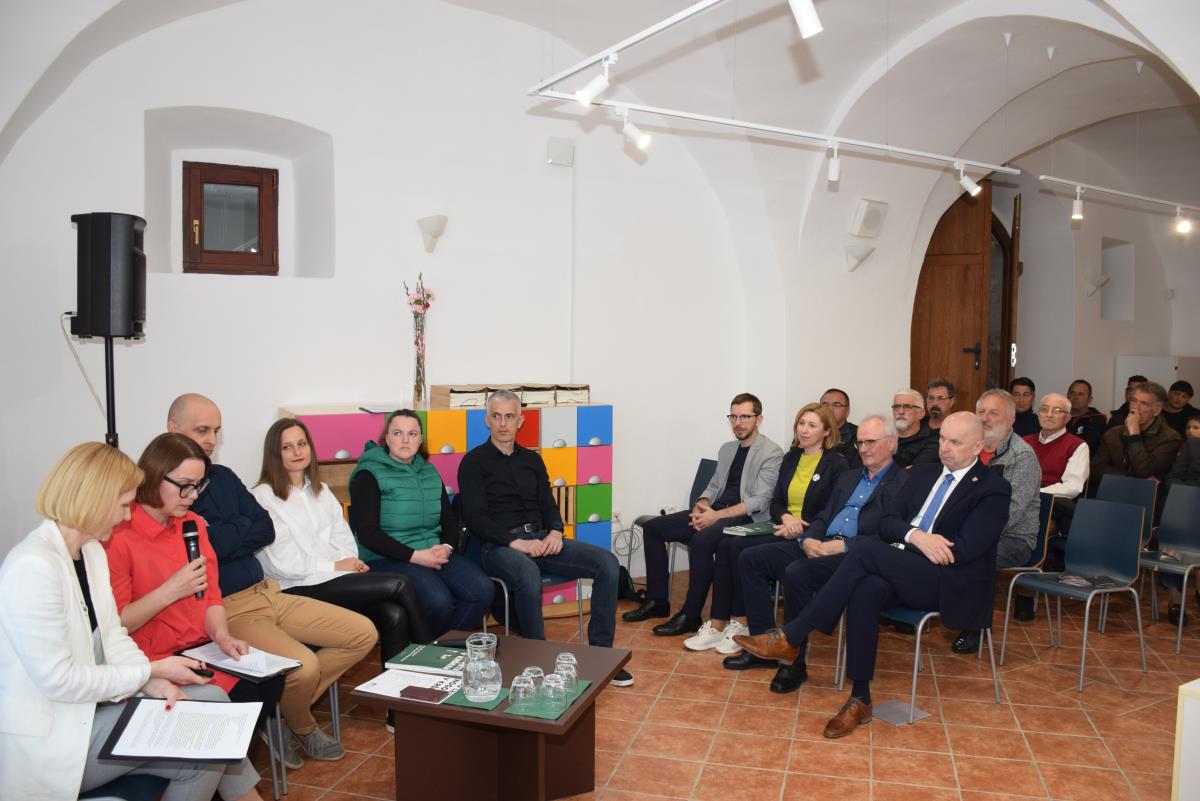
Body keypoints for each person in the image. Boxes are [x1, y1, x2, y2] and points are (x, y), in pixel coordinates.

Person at [0, 443, 262, 801]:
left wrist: (153, 683)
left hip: (87, 714)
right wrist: (148, 673)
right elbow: (59, 681)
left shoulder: (90, 552)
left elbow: (114, 637)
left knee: (210, 718)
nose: (127, 516)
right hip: (53, 739)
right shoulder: (32, 566)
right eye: (124, 504)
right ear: (94, 500)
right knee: (209, 727)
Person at [735, 412, 1010, 739]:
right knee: (864, 588)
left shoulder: (994, 488)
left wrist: (912, 540)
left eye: (955, 442)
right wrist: (917, 536)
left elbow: (963, 550)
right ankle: (860, 698)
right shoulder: (925, 474)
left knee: (865, 550)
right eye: (941, 440)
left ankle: (792, 637)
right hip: (900, 563)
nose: (944, 448)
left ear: (978, 446)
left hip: (946, 579)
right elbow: (888, 522)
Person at [166, 395, 377, 769]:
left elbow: (262, 530)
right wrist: (236, 532)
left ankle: (278, 711)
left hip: (269, 591)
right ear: (173, 430)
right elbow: (198, 549)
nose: (211, 439)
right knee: (305, 666)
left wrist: (223, 536)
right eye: (202, 430)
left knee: (363, 634)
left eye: (216, 430)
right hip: (228, 607)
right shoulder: (168, 489)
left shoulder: (224, 476)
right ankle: (302, 724)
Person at [458, 390, 634, 686]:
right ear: (487, 420)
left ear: (520, 421)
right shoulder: (473, 462)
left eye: (510, 416)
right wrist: (516, 543)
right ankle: (537, 660)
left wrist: (555, 530)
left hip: (541, 538)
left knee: (607, 562)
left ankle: (602, 655)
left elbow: (548, 503)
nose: (503, 423)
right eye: (497, 416)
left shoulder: (532, 460)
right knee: (528, 574)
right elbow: (477, 519)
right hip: (499, 547)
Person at [728, 414, 907, 694]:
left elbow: (892, 533)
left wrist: (845, 546)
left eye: (871, 442)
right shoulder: (850, 477)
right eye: (860, 443)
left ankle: (792, 663)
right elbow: (825, 514)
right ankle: (764, 644)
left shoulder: (904, 483)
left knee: (796, 573)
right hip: (819, 544)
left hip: (856, 556)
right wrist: (810, 537)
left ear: (892, 443)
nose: (864, 449)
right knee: (751, 558)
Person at [254, 418, 433, 666]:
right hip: (295, 588)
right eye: (287, 447)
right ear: (274, 454)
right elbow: (283, 564)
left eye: (302, 444)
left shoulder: (321, 490)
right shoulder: (263, 497)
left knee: (394, 613)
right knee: (400, 584)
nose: (297, 452)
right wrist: (335, 566)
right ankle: (432, 658)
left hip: (335, 578)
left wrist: (349, 562)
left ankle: (397, 686)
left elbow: (344, 537)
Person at [681, 403, 847, 654]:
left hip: (811, 533)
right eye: (801, 424)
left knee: (739, 549)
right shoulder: (791, 458)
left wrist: (802, 528)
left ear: (826, 431)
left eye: (812, 425)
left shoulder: (836, 464)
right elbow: (776, 501)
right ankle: (718, 624)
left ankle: (743, 624)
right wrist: (786, 517)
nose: (804, 430)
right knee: (726, 543)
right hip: (781, 524)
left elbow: (833, 508)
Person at [622, 392, 783, 639]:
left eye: (745, 417)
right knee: (654, 528)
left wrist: (716, 516)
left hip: (745, 517)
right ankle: (657, 601)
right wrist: (702, 504)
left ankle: (691, 614)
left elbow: (759, 501)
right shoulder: (727, 449)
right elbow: (714, 484)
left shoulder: (772, 452)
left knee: (701, 540)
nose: (738, 423)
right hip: (715, 511)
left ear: (758, 419)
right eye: (733, 417)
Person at [347, 410, 493, 639]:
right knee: (439, 601)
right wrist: (415, 556)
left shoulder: (430, 471)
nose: (405, 440)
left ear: (420, 439)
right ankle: (426, 653)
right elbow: (367, 534)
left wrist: (446, 547)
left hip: (432, 552)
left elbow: (449, 520)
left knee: (482, 591)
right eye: (398, 433)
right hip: (386, 558)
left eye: (412, 434)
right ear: (386, 438)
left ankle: (439, 649)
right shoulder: (368, 474)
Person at [950, 389, 1040, 646]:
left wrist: (968, 536)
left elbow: (1010, 513)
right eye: (980, 411)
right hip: (967, 530)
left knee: (973, 556)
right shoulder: (968, 449)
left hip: (1013, 539)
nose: (984, 418)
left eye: (993, 413)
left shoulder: (1022, 457)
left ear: (1011, 420)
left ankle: (973, 626)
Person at [1092, 381, 1182, 485]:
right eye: (1134, 401)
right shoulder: (1113, 433)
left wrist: (1134, 435)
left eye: (1144, 404)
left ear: (1157, 410)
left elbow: (1144, 471)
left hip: (1148, 493)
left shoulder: (1170, 438)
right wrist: (1131, 478)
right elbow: (1096, 470)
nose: (1136, 408)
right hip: (1112, 488)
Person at [892, 389, 939, 467]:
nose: (900, 412)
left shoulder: (932, 442)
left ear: (921, 413)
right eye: (896, 407)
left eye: (907, 407)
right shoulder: (884, 437)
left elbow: (914, 472)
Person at [822, 388, 861, 468]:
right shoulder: (810, 433)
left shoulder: (860, 435)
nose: (829, 409)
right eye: (825, 405)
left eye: (836, 405)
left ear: (847, 411)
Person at [1066, 379, 1107, 454]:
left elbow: (1088, 446)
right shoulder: (1059, 416)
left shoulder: (1097, 420)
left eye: (1081, 394)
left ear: (1089, 399)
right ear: (1067, 396)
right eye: (1072, 393)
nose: (1075, 397)